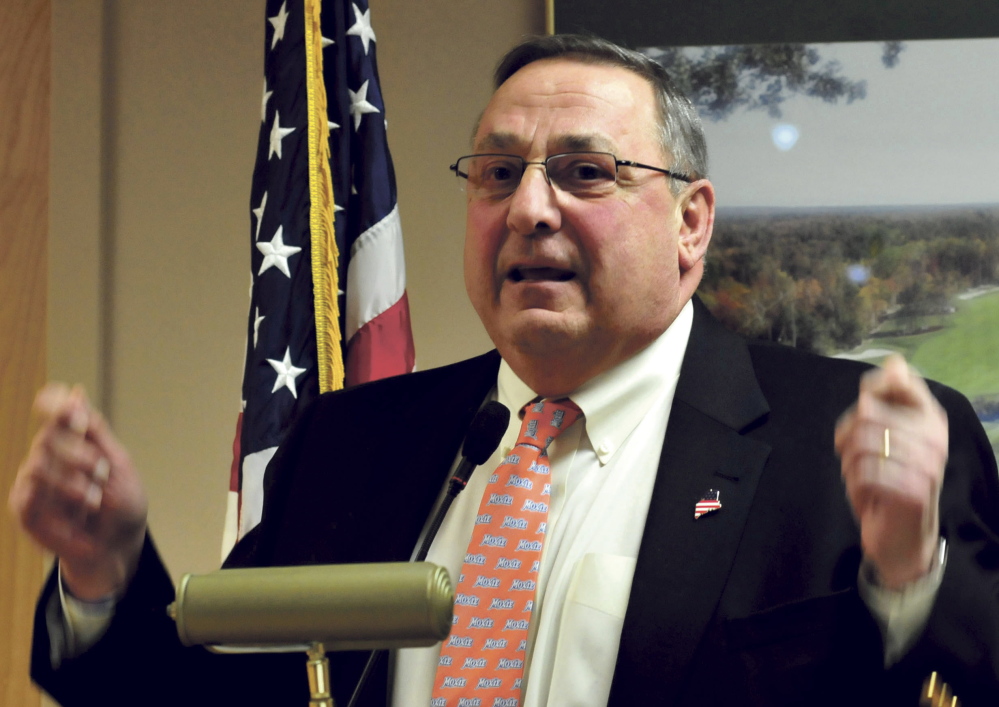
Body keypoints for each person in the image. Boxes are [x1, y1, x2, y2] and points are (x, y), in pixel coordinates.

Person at [10, 34, 999, 707]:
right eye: (497, 172)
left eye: (584, 171)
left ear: (692, 222)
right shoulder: (356, 444)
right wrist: (104, 572)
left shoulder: (844, 442)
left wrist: (915, 580)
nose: (529, 208)